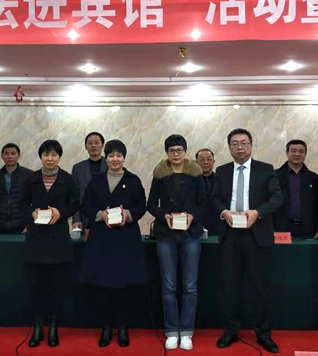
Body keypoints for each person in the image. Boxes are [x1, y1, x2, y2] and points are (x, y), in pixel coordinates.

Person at [212, 129, 283, 354]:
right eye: (235, 144)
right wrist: (224, 212)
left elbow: (277, 198)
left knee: (260, 287)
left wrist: (257, 212)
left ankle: (263, 334)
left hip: (257, 234)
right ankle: (230, 330)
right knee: (230, 286)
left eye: (244, 143)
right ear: (229, 147)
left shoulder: (266, 169)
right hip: (230, 234)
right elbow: (213, 197)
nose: (239, 147)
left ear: (251, 145)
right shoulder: (221, 171)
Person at [80, 140, 147, 348]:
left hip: (126, 239)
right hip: (102, 239)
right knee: (104, 286)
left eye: (119, 155)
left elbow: (141, 206)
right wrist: (101, 215)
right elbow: (85, 206)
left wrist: (128, 215)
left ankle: (123, 327)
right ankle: (106, 327)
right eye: (111, 155)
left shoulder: (133, 180)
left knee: (125, 287)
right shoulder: (96, 181)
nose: (115, 159)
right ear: (106, 157)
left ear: (124, 158)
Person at [147, 134, 205, 351]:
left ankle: (187, 331)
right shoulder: (160, 174)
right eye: (172, 150)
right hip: (166, 235)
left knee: (190, 286)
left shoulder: (195, 173)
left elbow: (203, 203)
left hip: (190, 235)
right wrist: (164, 216)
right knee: (169, 285)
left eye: (180, 150)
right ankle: (171, 330)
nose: (176, 154)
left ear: (185, 152)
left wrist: (192, 216)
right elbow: (151, 204)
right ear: (167, 153)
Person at [20, 140, 79, 348]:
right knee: (36, 287)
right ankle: (37, 327)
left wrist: (60, 213)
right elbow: (22, 204)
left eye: (54, 154)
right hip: (36, 240)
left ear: (59, 157)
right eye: (46, 154)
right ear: (41, 156)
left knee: (56, 287)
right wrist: (31, 213)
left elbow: (75, 203)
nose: (50, 158)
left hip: (57, 240)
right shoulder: (31, 179)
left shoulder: (68, 179)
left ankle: (53, 327)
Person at [274, 140, 318, 239]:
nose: (297, 154)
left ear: (305, 154)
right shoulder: (274, 177)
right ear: (287, 153)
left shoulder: (314, 178)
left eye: (301, 151)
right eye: (293, 151)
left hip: (308, 229)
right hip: (280, 229)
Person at [0, 143, 33, 234]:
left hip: (23, 227)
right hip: (0, 226)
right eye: (6, 154)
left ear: (19, 156)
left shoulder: (29, 175)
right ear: (2, 157)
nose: (10, 156)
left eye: (13, 153)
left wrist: (32, 224)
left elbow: (37, 201)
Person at [71, 132, 107, 230]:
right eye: (90, 143)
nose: (93, 146)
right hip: (85, 219)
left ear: (102, 145)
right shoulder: (78, 168)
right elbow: (74, 196)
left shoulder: (110, 165)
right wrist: (76, 219)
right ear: (86, 147)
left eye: (96, 142)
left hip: (107, 217)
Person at [196, 148, 219, 236]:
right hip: (196, 222)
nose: (206, 162)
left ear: (213, 162)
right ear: (196, 162)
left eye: (209, 159)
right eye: (202, 160)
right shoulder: (191, 181)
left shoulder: (220, 180)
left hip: (217, 223)